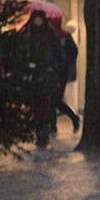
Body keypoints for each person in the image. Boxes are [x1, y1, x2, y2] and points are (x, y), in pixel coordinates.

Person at [23, 11, 65, 147]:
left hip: (46, 74)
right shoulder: (27, 33)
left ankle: (43, 133)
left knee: (44, 105)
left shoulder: (50, 34)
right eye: (36, 18)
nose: (38, 21)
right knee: (36, 106)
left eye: (40, 18)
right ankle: (39, 132)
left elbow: (59, 54)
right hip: (32, 74)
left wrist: (52, 68)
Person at [53, 21, 81, 134]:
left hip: (60, 73)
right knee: (52, 100)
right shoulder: (50, 35)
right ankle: (52, 125)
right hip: (54, 71)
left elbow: (74, 51)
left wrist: (64, 63)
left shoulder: (64, 36)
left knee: (56, 100)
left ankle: (74, 118)